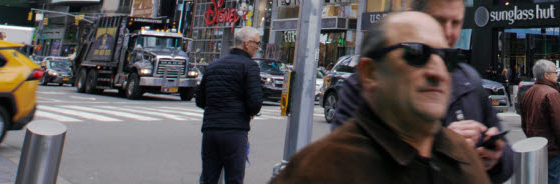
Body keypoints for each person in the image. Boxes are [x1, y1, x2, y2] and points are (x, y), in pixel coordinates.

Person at [332, 0, 514, 183]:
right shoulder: (371, 80)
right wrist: (446, 142)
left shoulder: (469, 80)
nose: (448, 32)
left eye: (455, 23)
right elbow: (346, 163)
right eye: (438, 20)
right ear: (412, 16)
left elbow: (506, 157)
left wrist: (494, 157)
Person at [271, 12, 490, 184]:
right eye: (416, 54)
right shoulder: (318, 170)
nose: (438, 72)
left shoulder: (464, 156)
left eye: (447, 58)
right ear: (370, 73)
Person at [195, 26, 263, 184]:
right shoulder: (249, 66)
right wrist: (247, 112)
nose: (258, 47)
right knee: (234, 178)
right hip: (234, 131)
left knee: (208, 178)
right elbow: (255, 103)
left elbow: (200, 99)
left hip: (210, 131)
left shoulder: (213, 65)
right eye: (257, 43)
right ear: (246, 44)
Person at [519, 59, 560, 184]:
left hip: (535, 148)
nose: (557, 75)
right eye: (555, 72)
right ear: (546, 75)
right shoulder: (552, 94)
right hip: (553, 150)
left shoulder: (528, 93)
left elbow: (524, 123)